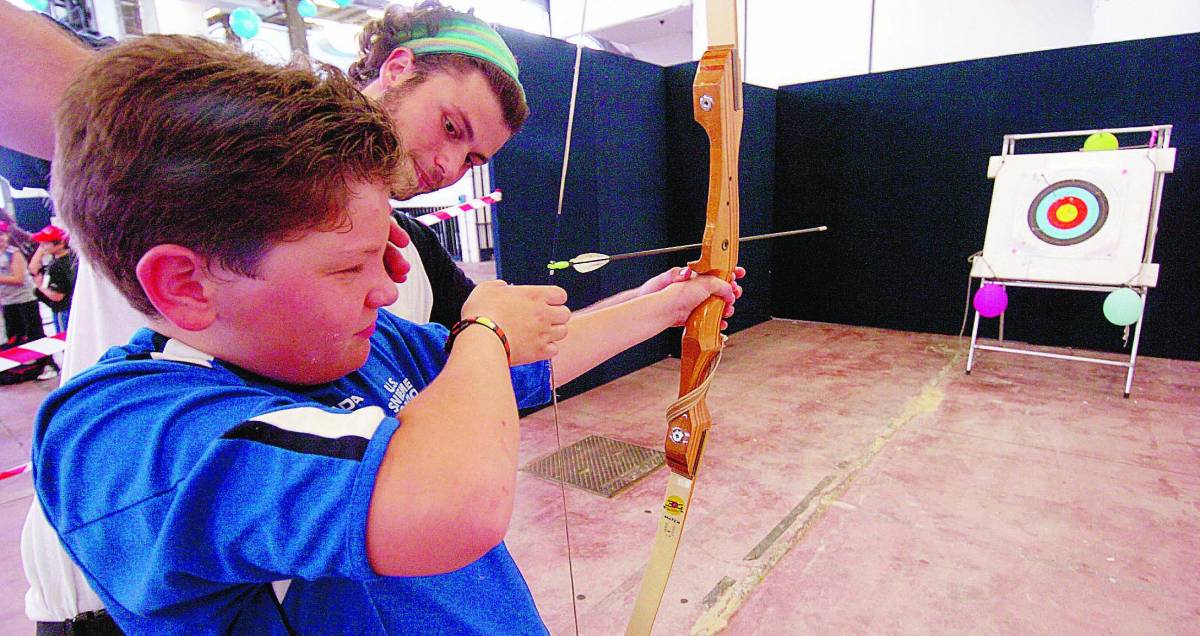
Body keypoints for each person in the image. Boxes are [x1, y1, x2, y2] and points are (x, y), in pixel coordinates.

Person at [35, 34, 737, 633]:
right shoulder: (120, 435)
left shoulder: (353, 347)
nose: (388, 287)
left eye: (386, 253)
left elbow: (534, 362)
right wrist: (484, 330)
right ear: (187, 286)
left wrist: (667, 306)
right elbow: (452, 501)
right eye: (349, 265)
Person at [0, 220, 44, 345]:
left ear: (7, 236)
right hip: (7, 302)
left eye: (1, 234)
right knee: (14, 338)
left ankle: (44, 362)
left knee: (33, 336)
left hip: (24, 301)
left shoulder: (13, 253)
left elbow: (18, 279)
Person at [29, 224, 76, 333]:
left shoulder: (58, 266)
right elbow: (33, 269)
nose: (42, 246)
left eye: (46, 243)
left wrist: (40, 286)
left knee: (64, 339)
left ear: (60, 243)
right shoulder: (71, 258)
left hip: (63, 309)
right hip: (72, 307)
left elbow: (57, 296)